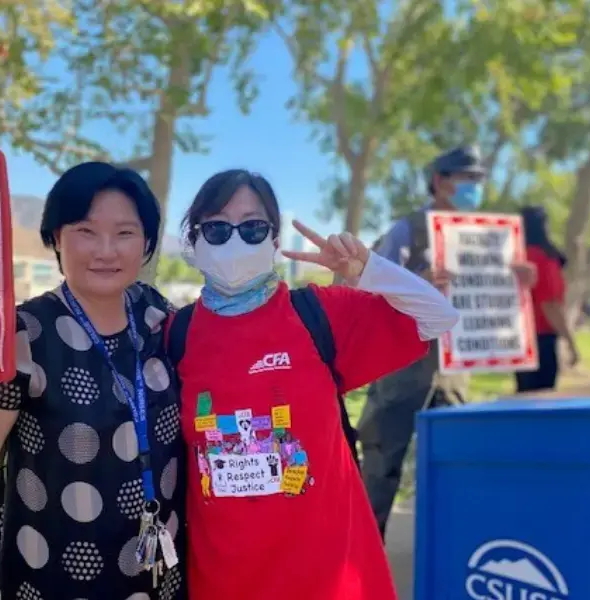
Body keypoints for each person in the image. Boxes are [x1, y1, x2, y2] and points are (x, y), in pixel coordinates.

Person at [165, 169, 459, 600]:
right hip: (223, 580)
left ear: (273, 239)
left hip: (329, 579)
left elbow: (437, 317)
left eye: (252, 227)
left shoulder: (320, 315)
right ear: (195, 240)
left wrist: (368, 271)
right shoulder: (177, 334)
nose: (234, 241)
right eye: (216, 227)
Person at [0, 162, 186, 600]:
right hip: (50, 573)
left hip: (155, 574)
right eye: (85, 232)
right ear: (55, 238)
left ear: (147, 242)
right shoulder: (25, 332)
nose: (106, 251)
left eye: (125, 233)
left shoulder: (157, 317)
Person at [359, 145, 537, 538]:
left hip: (455, 377)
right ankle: (361, 567)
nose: (474, 187)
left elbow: (492, 304)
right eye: (466, 178)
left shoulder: (489, 240)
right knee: (380, 469)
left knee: (454, 470)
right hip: (402, 373)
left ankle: (448, 559)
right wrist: (416, 285)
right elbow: (367, 293)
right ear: (439, 181)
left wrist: (518, 284)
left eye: (478, 180)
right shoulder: (407, 230)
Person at [515, 205, 579, 392]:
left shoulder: (518, 259)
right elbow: (550, 305)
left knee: (523, 397)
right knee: (542, 398)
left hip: (520, 340)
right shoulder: (544, 259)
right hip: (542, 340)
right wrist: (570, 341)